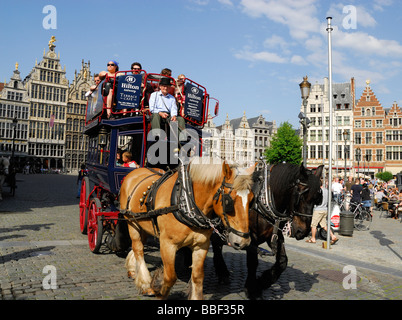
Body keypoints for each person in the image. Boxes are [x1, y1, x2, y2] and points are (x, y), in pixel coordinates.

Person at [306, 180, 338, 245]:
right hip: (325, 209)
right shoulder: (327, 191)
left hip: (318, 210)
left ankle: (313, 238)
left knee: (313, 225)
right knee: (324, 225)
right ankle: (333, 236)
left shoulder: (317, 191)